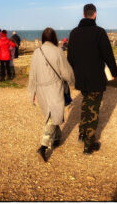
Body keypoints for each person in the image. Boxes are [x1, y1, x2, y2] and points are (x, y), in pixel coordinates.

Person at [67, 3, 117, 154]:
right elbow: (108, 55)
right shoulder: (99, 32)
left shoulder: (74, 33)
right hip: (96, 77)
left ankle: (82, 134)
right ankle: (89, 144)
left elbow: (70, 57)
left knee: (85, 104)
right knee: (93, 108)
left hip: (81, 77)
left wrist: (76, 71)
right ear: (94, 14)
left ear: (83, 14)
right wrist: (114, 72)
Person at [28, 27, 75, 162]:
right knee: (53, 115)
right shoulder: (58, 51)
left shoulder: (37, 52)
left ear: (43, 38)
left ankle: (57, 138)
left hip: (41, 89)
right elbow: (66, 71)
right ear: (54, 38)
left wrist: (33, 92)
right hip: (54, 88)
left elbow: (32, 73)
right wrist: (72, 81)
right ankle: (43, 146)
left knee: (52, 114)